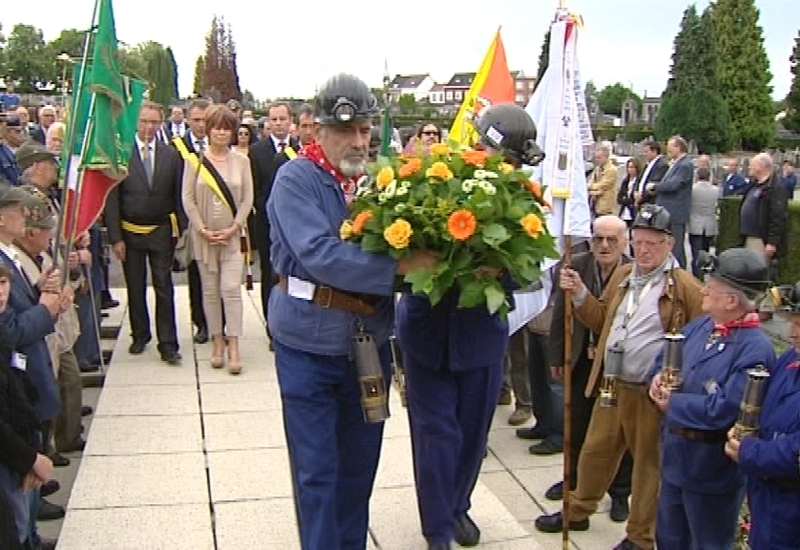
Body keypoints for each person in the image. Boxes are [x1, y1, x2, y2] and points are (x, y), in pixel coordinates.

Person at [267, 73, 436, 550]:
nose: (359, 141)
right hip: (308, 348)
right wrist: (403, 266)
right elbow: (320, 253)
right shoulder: (296, 178)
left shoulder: (378, 183)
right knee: (318, 476)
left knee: (359, 472)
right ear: (317, 130)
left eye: (365, 131)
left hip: (368, 348)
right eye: (347, 131)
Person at [398, 102, 542, 550]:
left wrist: (499, 272)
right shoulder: (435, 178)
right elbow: (400, 255)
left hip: (480, 337)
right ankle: (438, 526)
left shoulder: (523, 201)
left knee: (472, 435)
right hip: (428, 333)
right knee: (436, 433)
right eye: (510, 157)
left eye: (518, 163)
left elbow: (529, 268)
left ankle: (458, 505)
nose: (512, 168)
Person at [535, 204, 704, 550]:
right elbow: (601, 321)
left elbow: (699, 337)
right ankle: (577, 511)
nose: (643, 250)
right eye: (639, 242)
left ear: (668, 244)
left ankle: (640, 537)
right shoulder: (624, 276)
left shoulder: (684, 285)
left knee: (647, 468)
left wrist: (677, 381)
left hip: (649, 392)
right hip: (611, 384)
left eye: (652, 243)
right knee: (595, 453)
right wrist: (580, 292)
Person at [647, 248, 775, 549]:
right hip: (676, 460)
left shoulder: (755, 348)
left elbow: (726, 409)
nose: (703, 290)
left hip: (710, 472)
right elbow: (666, 358)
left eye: (711, 287)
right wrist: (655, 378)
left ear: (732, 300)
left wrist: (672, 404)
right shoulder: (701, 326)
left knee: (707, 543)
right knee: (668, 539)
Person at [724, 280, 800, 549]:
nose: (793, 331)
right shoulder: (791, 358)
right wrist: (745, 427)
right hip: (768, 501)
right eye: (794, 321)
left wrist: (748, 452)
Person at [182, 104, 253, 375]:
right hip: (205, 238)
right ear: (208, 130)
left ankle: (234, 343)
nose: (221, 133)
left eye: (226, 128)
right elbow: (187, 198)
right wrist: (201, 228)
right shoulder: (194, 161)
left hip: (233, 237)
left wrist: (235, 227)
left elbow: (248, 198)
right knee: (210, 293)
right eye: (216, 128)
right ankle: (217, 342)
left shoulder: (242, 161)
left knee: (230, 290)